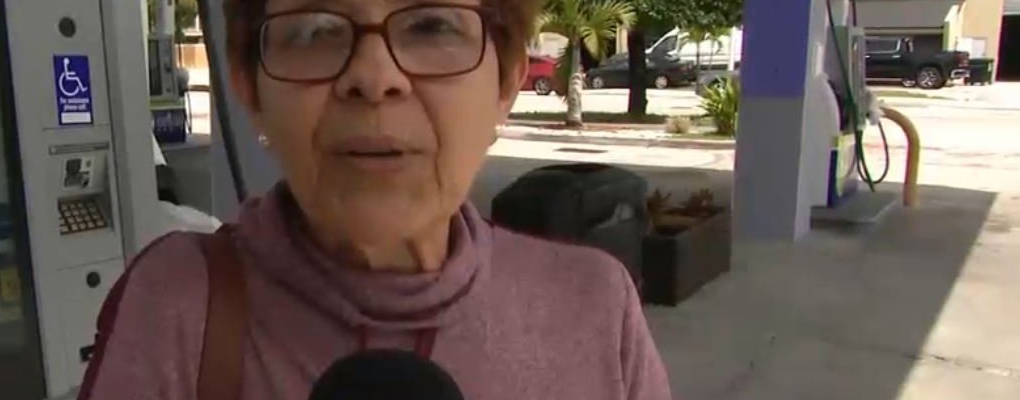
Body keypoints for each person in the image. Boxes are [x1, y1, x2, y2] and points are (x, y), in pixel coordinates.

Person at [79, 0, 672, 398]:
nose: (374, 76)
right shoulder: (174, 307)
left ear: (507, 80)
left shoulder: (596, 309)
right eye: (315, 30)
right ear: (248, 86)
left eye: (432, 25)